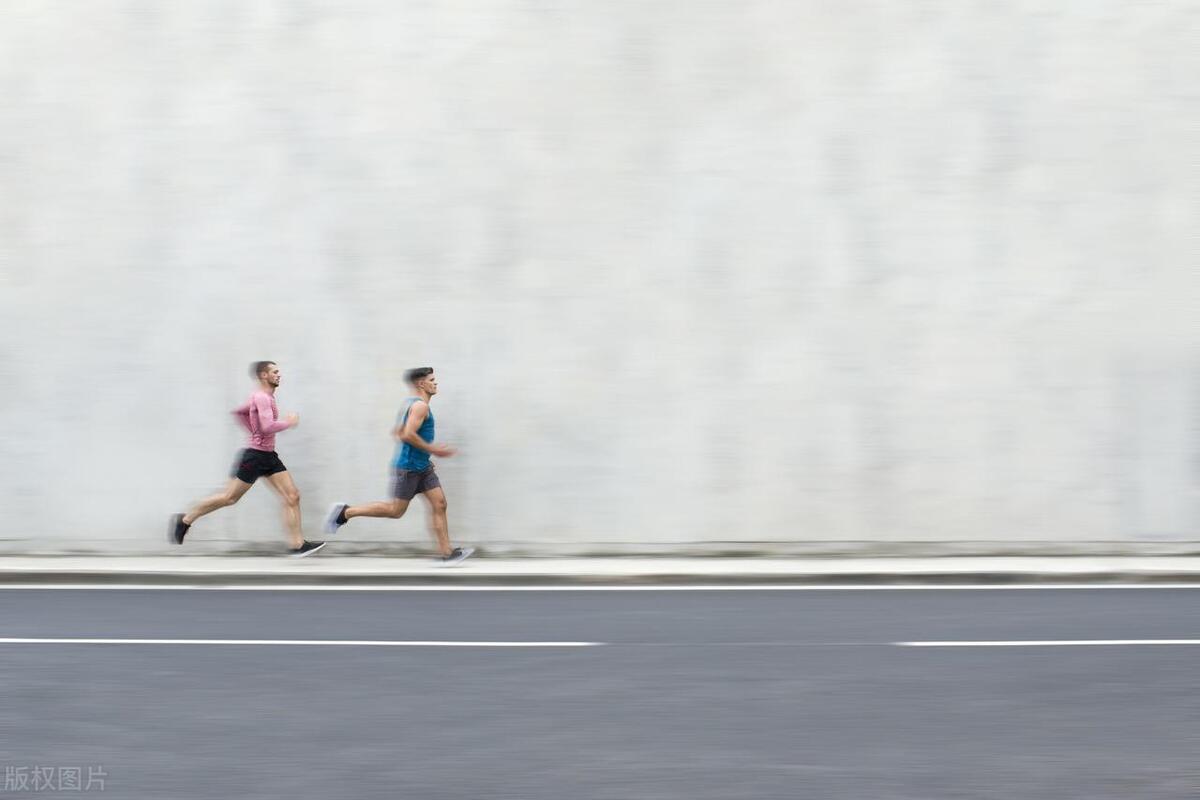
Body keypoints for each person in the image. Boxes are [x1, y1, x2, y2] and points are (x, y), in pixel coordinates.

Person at [170, 361, 326, 557]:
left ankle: (297, 545)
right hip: (254, 457)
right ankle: (185, 519)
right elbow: (267, 426)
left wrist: (254, 431)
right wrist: (288, 422)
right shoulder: (262, 397)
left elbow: (241, 413)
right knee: (229, 498)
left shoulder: (263, 397)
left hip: (268, 456)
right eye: (275, 372)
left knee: (292, 496)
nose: (279, 375)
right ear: (263, 375)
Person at [325, 367, 474, 564]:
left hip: (422, 466)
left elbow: (397, 431)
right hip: (409, 468)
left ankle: (447, 553)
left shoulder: (410, 404)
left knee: (440, 504)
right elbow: (405, 434)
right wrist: (433, 449)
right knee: (395, 511)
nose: (436, 383)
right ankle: (345, 512)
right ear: (421, 384)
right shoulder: (420, 406)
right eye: (432, 379)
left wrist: (425, 456)